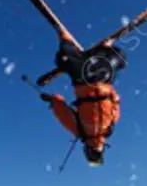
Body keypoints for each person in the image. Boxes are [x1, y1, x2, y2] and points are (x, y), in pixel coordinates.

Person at [40, 36, 127, 166]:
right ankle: (72, 49)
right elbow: (61, 110)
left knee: (120, 57)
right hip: (84, 79)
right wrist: (53, 99)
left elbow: (116, 102)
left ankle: (103, 52)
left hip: (104, 77)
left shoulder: (109, 128)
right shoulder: (82, 131)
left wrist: (105, 88)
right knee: (63, 57)